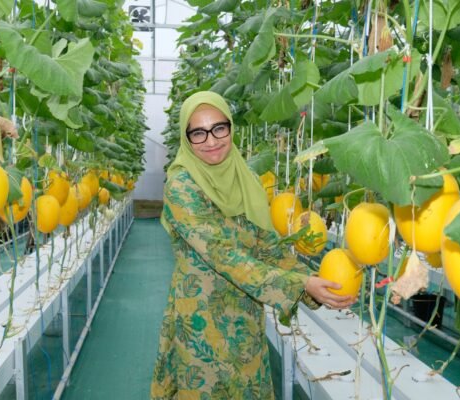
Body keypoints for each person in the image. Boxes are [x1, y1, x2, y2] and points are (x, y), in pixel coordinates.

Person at [150, 91, 356, 399]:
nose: (211, 140)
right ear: (186, 138)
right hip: (201, 322)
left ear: (230, 128)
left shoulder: (244, 178)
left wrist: (314, 283)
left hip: (245, 319)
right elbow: (223, 255)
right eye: (198, 133)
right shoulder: (181, 185)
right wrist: (299, 285)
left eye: (219, 128)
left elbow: (267, 247)